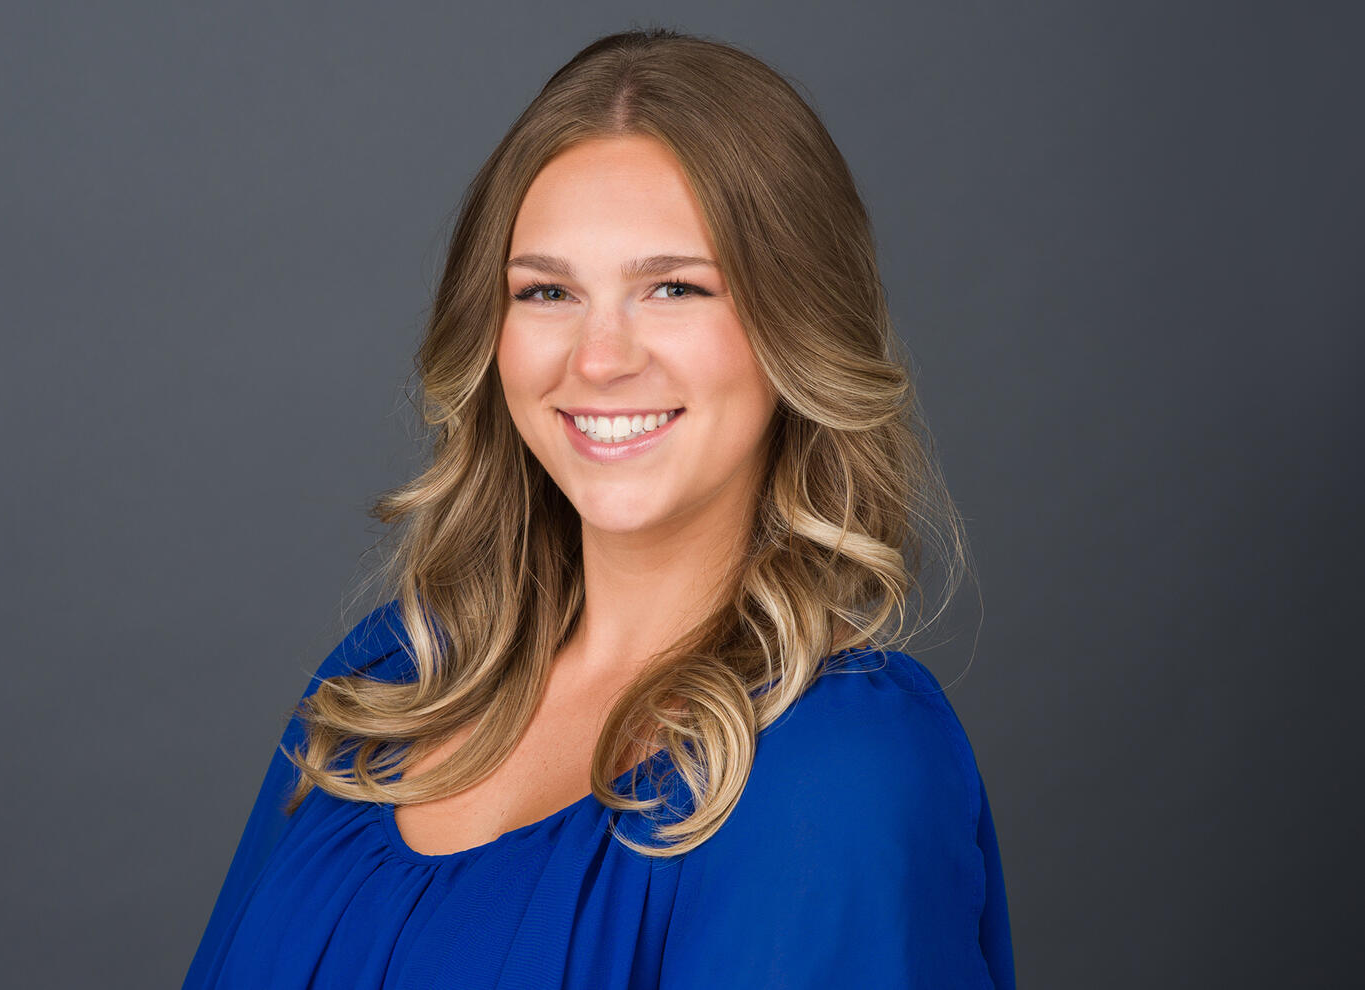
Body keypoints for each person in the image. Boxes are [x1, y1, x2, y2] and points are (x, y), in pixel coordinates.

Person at [184, 26, 1015, 989]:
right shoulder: (387, 685)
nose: (598, 358)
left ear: (797, 328)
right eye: (546, 291)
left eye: (672, 287)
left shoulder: (841, 773)